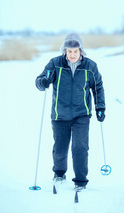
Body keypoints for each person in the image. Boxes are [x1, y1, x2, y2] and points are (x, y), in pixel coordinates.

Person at [35, 33, 105, 190]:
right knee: (60, 148)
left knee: (80, 147)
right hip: (60, 114)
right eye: (69, 51)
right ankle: (59, 174)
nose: (72, 54)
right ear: (64, 51)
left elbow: (97, 87)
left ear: (81, 50)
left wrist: (100, 107)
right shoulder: (55, 64)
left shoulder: (90, 66)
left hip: (82, 114)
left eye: (75, 51)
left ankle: (80, 181)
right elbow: (39, 81)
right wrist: (43, 82)